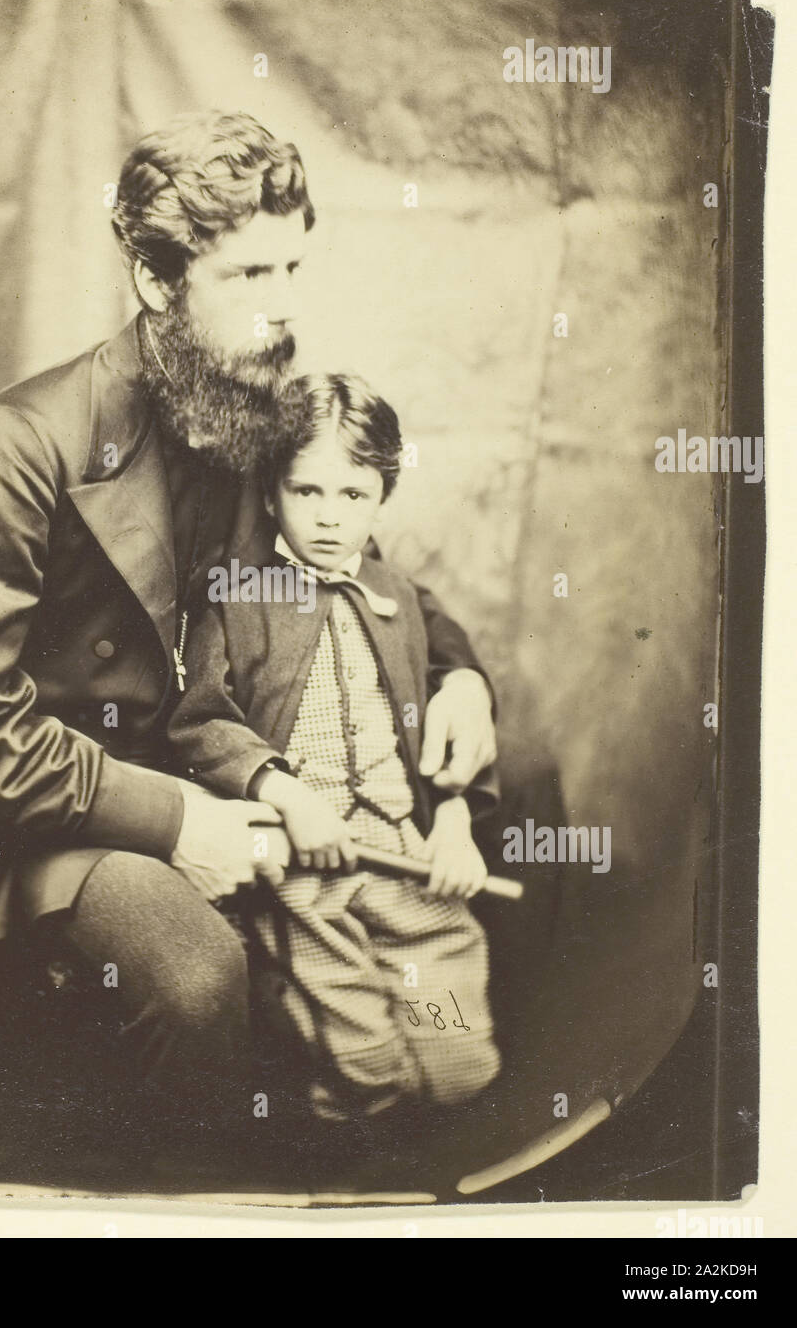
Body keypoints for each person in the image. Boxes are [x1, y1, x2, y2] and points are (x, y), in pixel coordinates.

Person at [0, 110, 498, 1175]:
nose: (285, 310)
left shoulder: (248, 411)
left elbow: (354, 572)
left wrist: (459, 680)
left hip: (226, 768)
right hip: (56, 825)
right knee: (199, 972)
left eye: (294, 269)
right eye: (251, 275)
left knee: (430, 947)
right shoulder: (20, 444)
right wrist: (178, 820)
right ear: (158, 282)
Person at [169, 373, 502, 1128]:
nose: (326, 517)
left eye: (351, 496)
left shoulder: (398, 595)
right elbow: (199, 721)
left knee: (458, 1069)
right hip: (301, 866)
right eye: (304, 491)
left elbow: (438, 735)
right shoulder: (234, 593)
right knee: (366, 1068)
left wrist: (452, 822)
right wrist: (286, 797)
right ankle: (340, 1153)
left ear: (381, 496)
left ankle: (421, 1120)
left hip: (401, 848)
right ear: (268, 493)